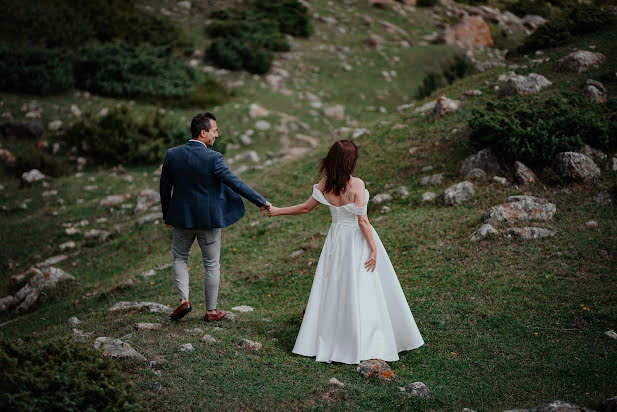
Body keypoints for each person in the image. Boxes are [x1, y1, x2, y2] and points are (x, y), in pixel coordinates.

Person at [267, 140, 424, 364]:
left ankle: (334, 340)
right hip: (356, 239)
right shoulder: (356, 184)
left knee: (334, 287)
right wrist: (373, 248)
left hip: (336, 239)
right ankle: (366, 341)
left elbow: (304, 208)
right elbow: (362, 221)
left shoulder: (324, 184)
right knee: (364, 287)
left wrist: (276, 211)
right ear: (351, 161)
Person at [160, 112, 270, 322]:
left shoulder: (172, 154)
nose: (216, 135)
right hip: (208, 220)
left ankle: (184, 300)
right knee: (211, 264)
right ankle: (211, 311)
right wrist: (260, 200)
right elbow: (234, 182)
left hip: (181, 218)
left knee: (180, 258)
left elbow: (164, 189)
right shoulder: (213, 158)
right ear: (203, 133)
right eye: (214, 131)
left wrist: (167, 215)